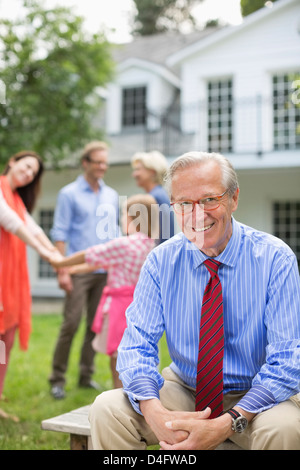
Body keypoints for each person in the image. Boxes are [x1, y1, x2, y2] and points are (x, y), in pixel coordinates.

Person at [88, 151, 300, 451]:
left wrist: (229, 421)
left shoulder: (275, 259)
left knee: (284, 429)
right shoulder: (160, 261)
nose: (197, 214)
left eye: (210, 199)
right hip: (185, 388)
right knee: (108, 409)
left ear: (234, 198)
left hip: (259, 396)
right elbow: (136, 346)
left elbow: (287, 362)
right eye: (184, 203)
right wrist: (153, 410)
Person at [50, 194, 158, 389]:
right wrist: (73, 270)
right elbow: (102, 262)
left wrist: (60, 262)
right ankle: (128, 392)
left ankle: (120, 394)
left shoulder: (124, 244)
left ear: (134, 217)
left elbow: (90, 255)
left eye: (124, 214)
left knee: (117, 355)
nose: (122, 219)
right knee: (131, 352)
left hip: (119, 308)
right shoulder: (149, 244)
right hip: (138, 306)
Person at [49, 141, 120, 399]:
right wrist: (62, 270)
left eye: (105, 162)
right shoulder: (69, 193)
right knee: (71, 322)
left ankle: (85, 376)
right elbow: (60, 233)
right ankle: (57, 379)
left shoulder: (110, 195)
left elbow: (115, 233)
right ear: (86, 163)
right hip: (78, 270)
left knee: (95, 325)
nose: (103, 166)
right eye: (98, 162)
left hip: (104, 271)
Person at [0, 151, 60, 418]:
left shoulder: (17, 199)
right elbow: (11, 223)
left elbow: (33, 227)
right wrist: (46, 254)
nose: (27, 174)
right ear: (12, 162)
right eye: (26, 167)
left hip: (10, 279)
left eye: (33, 173)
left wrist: (58, 256)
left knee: (5, 340)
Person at [131, 151, 174, 244]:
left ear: (152, 172)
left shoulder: (154, 197)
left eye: (138, 169)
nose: (134, 174)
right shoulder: (161, 194)